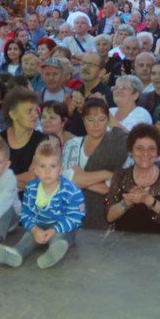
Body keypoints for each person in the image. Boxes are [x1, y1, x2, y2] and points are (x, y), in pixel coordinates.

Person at [0, 139, 85, 269]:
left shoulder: (71, 190)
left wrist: (55, 230)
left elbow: (76, 216)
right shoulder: (31, 189)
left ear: (60, 169)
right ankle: (16, 253)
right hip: (39, 226)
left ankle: (53, 252)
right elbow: (26, 215)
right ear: (35, 170)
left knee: (61, 237)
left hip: (62, 225)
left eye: (53, 166)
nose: (47, 171)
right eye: (42, 167)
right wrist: (34, 229)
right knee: (27, 238)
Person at [61, 96, 130, 228]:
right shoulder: (72, 145)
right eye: (90, 120)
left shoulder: (117, 146)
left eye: (101, 119)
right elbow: (66, 181)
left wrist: (80, 179)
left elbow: (113, 187)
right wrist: (105, 174)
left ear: (108, 121)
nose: (96, 125)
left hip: (106, 214)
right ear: (83, 120)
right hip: (73, 213)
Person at [105, 123, 160, 233]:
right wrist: (127, 202)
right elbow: (109, 217)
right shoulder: (120, 176)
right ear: (131, 151)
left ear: (157, 151)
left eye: (151, 148)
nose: (145, 153)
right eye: (139, 148)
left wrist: (148, 200)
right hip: (124, 245)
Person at [0, 86, 47, 188]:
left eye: (36, 111)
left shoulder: (42, 141)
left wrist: (3, 183)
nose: (35, 115)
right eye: (29, 111)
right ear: (13, 115)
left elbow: (34, 176)